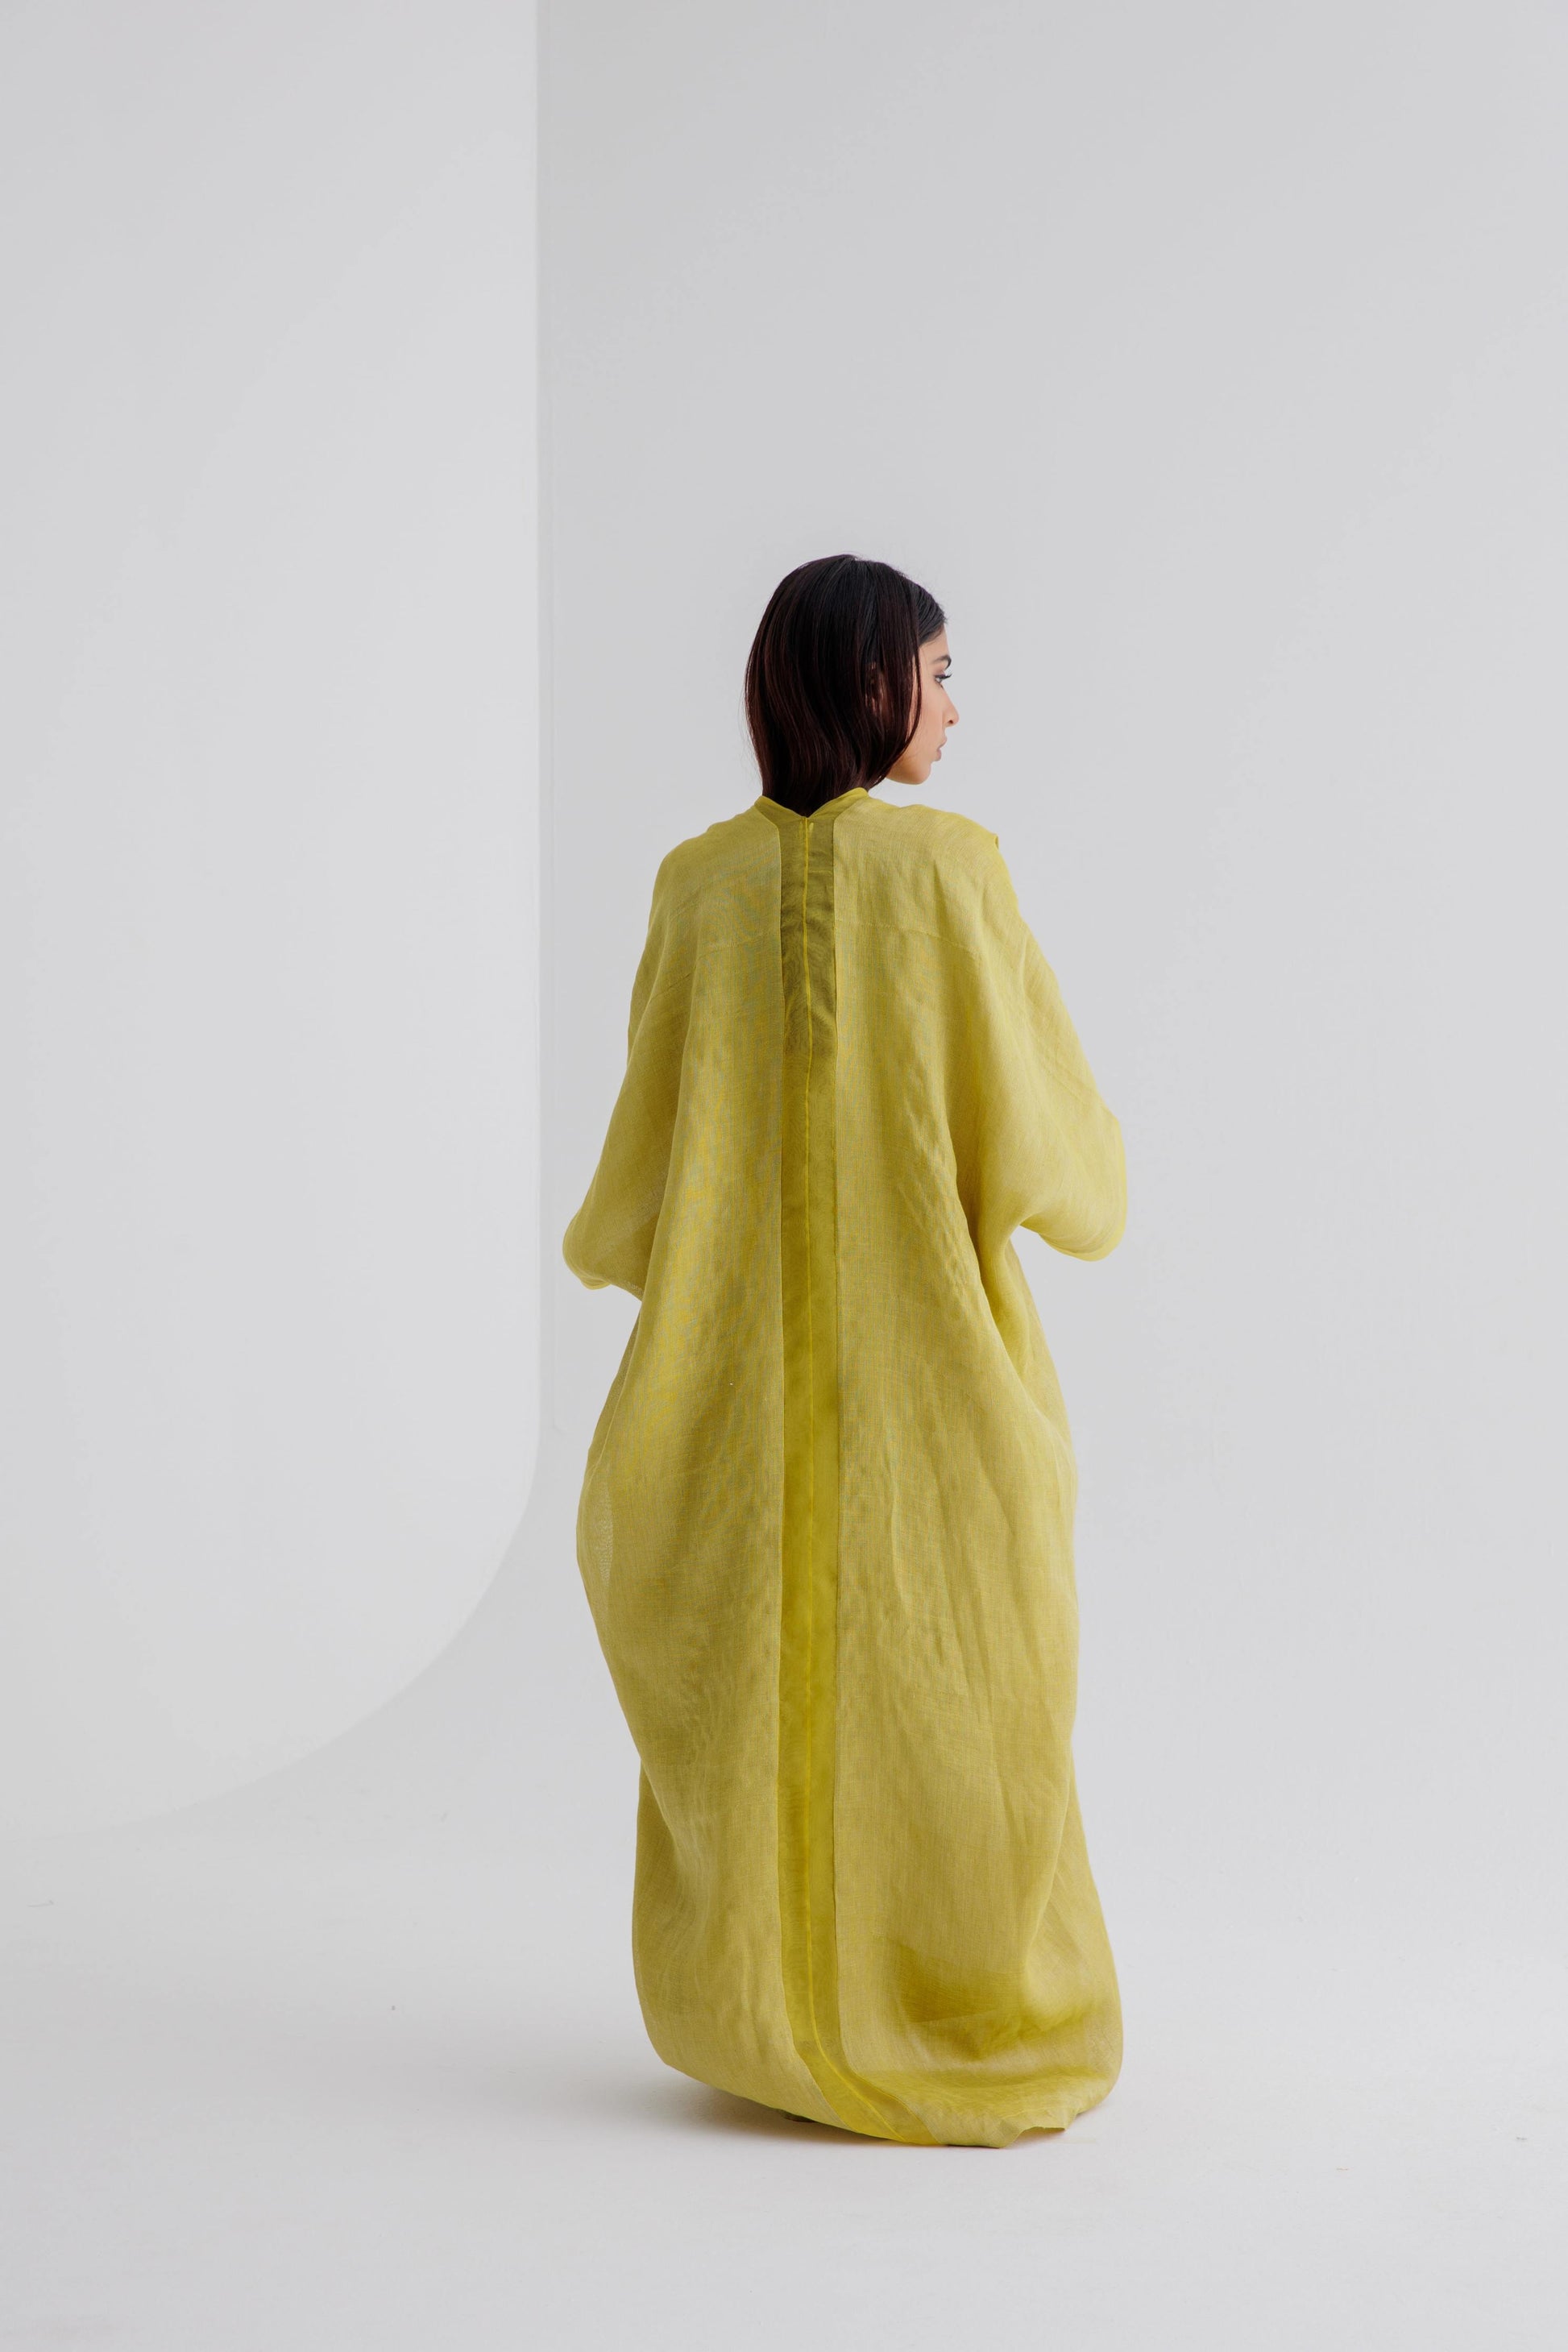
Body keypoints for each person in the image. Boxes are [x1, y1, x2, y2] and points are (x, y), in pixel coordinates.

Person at [562, 554, 1127, 2147]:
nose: (951, 707)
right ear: (871, 682)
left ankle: (754, 2014)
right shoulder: (953, 875)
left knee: (766, 1686)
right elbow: (1063, 1168)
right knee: (962, 1688)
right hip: (943, 1393)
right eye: (936, 673)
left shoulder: (697, 886)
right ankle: (956, 2014)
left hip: (718, 1396)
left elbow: (632, 1192)